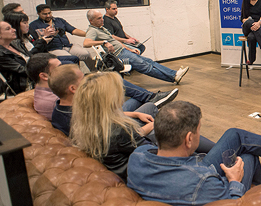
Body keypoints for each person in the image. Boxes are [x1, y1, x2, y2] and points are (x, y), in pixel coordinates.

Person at [127, 101, 261, 205]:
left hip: (184, 173)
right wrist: (234, 181)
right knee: (247, 156)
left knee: (236, 135)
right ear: (189, 139)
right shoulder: (202, 182)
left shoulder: (137, 157)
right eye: (199, 130)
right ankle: (260, 196)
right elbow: (231, 202)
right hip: (194, 181)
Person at [71, 72, 212, 181]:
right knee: (231, 135)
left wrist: (138, 117)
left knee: (152, 113)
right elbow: (160, 155)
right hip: (151, 168)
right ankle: (213, 151)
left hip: (135, 157)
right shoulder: (118, 131)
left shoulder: (86, 121)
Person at [28, 52, 179, 123]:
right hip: (107, 122)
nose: (63, 69)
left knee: (135, 96)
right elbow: (102, 118)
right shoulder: (57, 99)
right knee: (150, 108)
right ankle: (152, 100)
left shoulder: (51, 92)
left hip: (105, 117)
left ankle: (151, 98)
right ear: (44, 76)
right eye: (59, 67)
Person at [84, 10, 189, 84]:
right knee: (145, 66)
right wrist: (104, 42)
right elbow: (86, 43)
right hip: (118, 55)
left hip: (123, 51)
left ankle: (174, 74)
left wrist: (130, 49)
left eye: (101, 18)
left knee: (149, 61)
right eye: (98, 19)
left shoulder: (101, 28)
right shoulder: (92, 31)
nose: (102, 20)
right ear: (91, 20)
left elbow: (115, 41)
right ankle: (173, 77)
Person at [28, 4, 94, 69]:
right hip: (53, 49)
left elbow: (73, 30)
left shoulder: (59, 20)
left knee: (86, 54)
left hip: (67, 46)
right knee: (70, 59)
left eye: (49, 13)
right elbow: (35, 42)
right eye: (44, 14)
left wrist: (89, 35)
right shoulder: (34, 25)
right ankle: (77, 77)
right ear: (38, 13)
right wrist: (45, 36)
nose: (48, 16)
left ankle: (95, 72)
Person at [4, 12, 80, 65]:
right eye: (24, 23)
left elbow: (36, 46)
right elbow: (30, 55)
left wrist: (47, 37)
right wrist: (43, 39)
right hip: (37, 62)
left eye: (27, 22)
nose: (27, 25)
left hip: (43, 56)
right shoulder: (15, 41)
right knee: (70, 62)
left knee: (75, 58)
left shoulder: (26, 35)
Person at [0, 21, 32, 94]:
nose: (14, 30)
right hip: (22, 86)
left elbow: (32, 57)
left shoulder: (15, 43)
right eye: (8, 29)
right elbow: (21, 70)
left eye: (12, 27)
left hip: (32, 78)